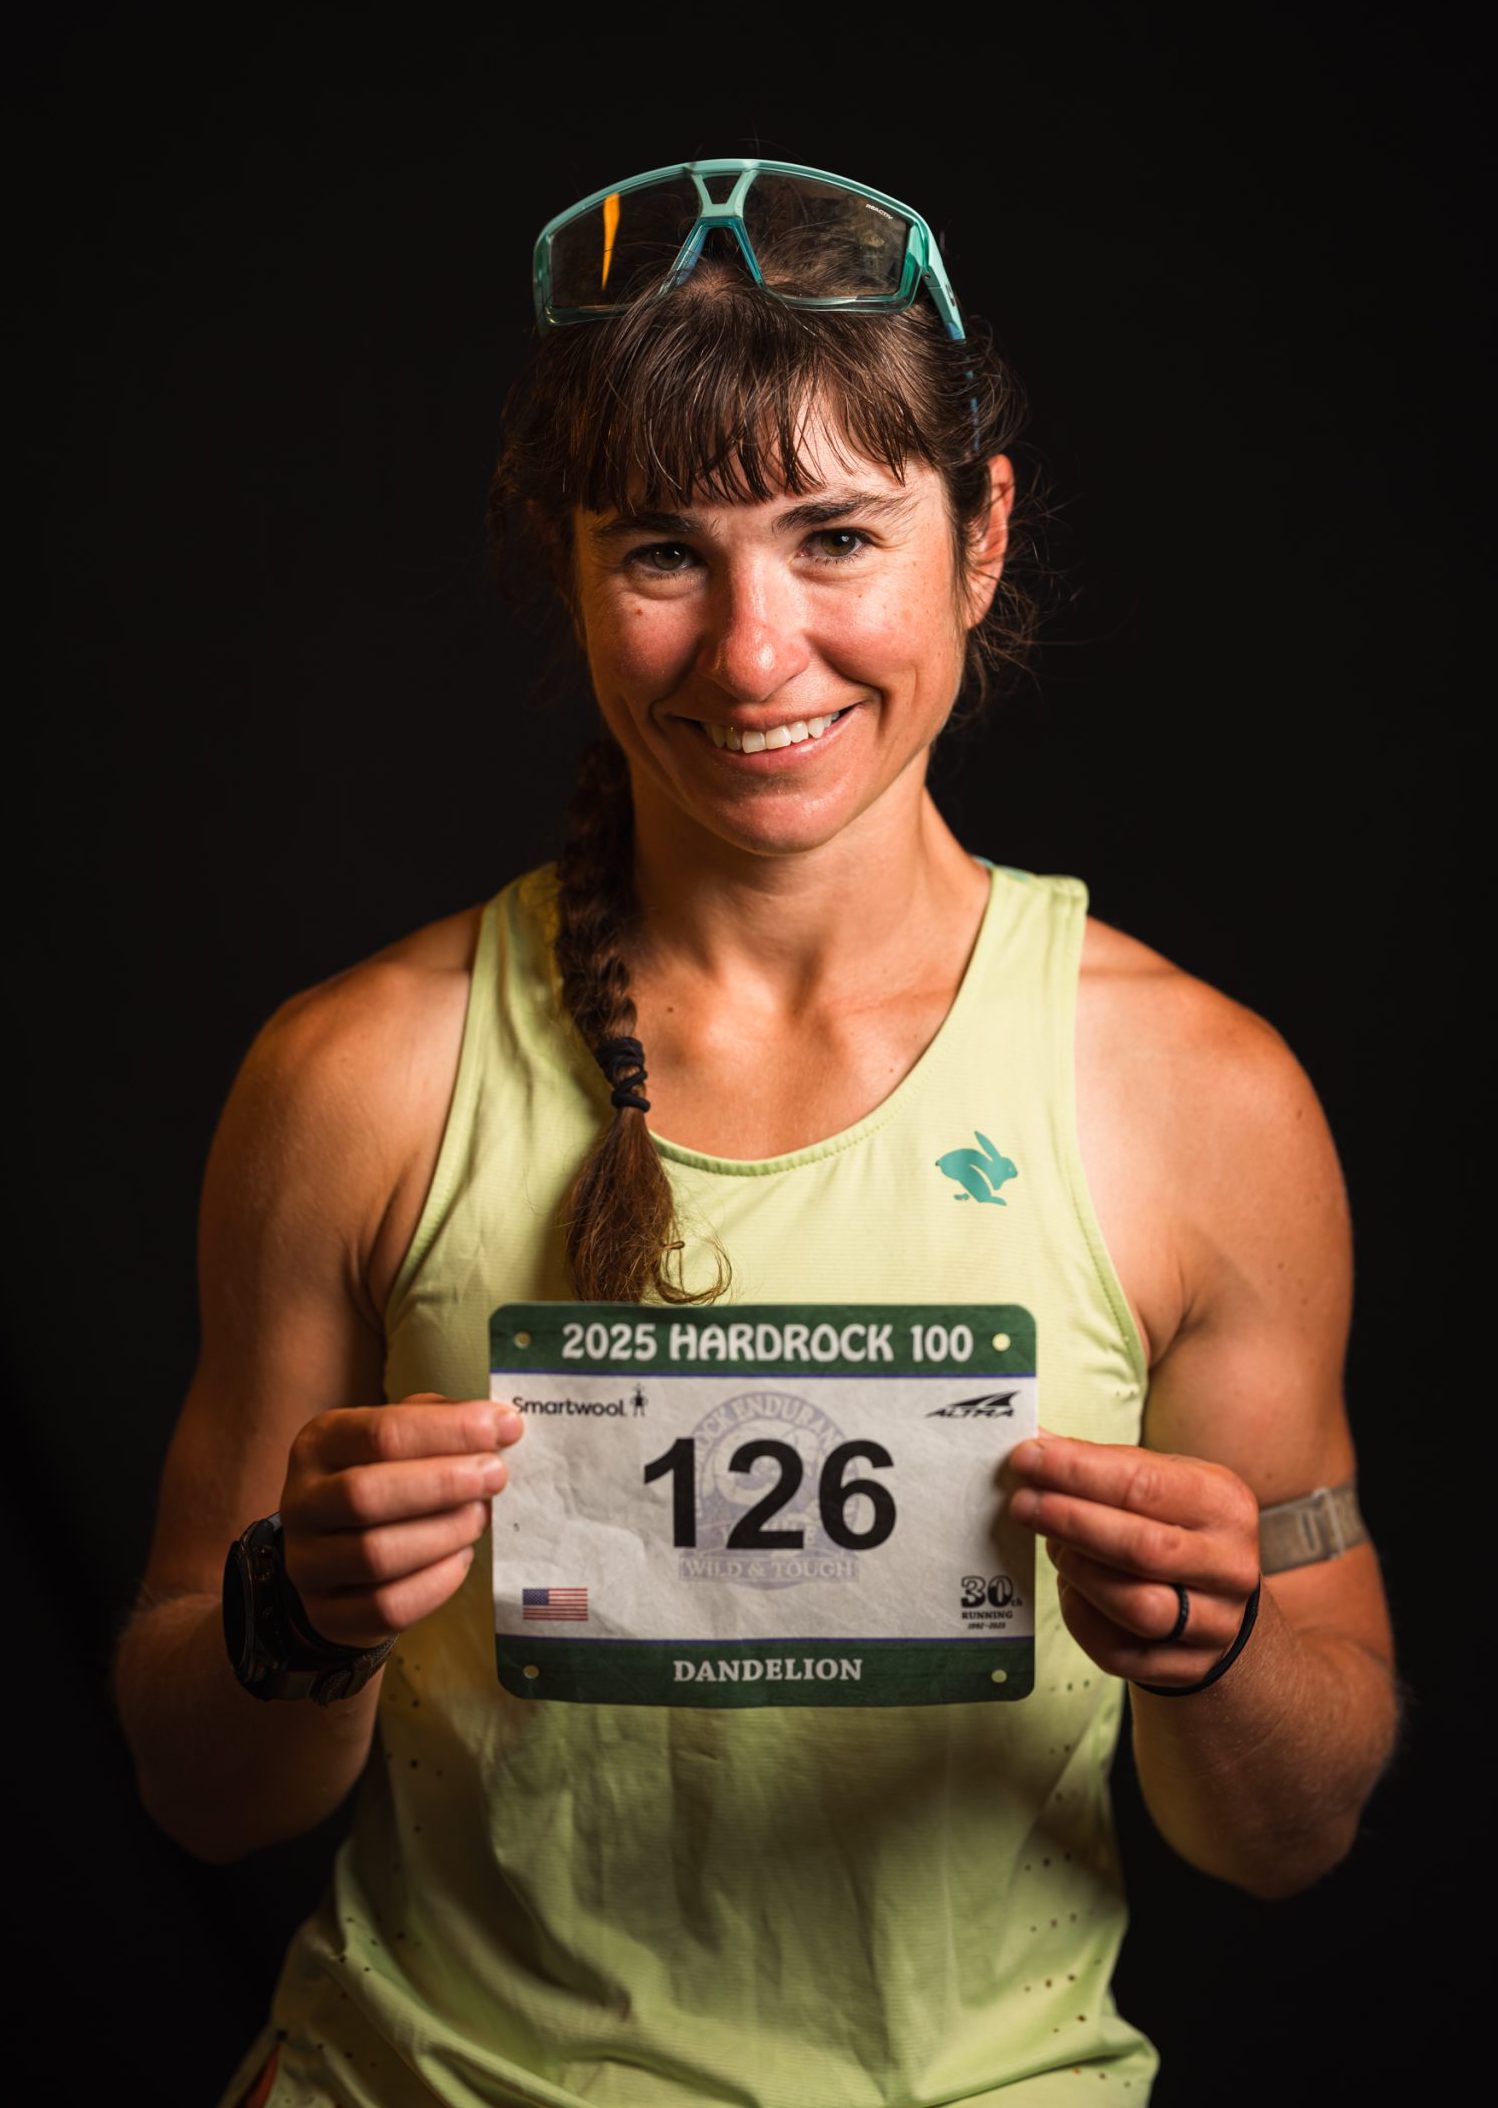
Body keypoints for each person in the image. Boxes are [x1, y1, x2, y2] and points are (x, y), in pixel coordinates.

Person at [114, 158, 1398, 2106]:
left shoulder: (1195, 1101)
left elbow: (1286, 1830)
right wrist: (296, 1615)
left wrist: (1213, 1646)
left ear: (976, 541)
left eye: (832, 537)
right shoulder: (354, 1077)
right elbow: (200, 1788)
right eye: (659, 553)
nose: (751, 651)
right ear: (564, 564)